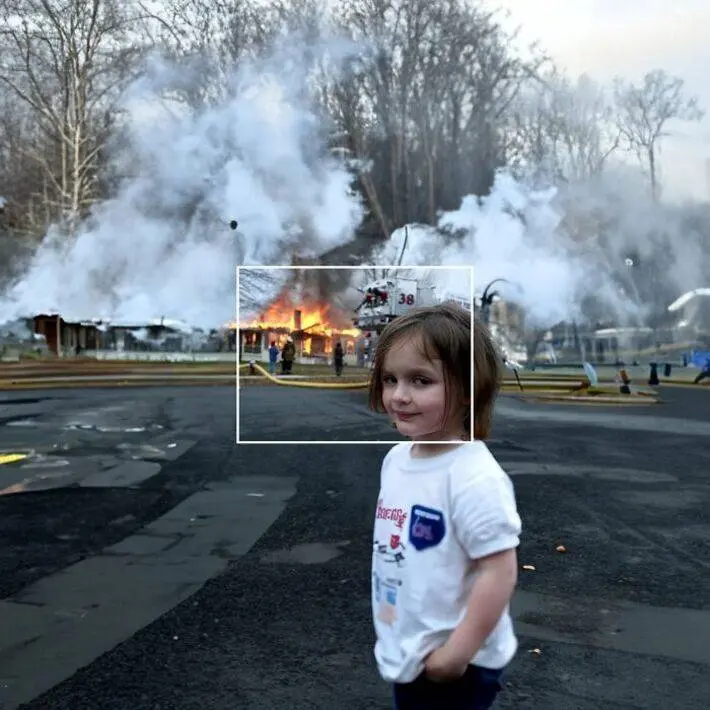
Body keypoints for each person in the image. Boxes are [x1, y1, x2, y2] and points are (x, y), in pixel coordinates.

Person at [368, 302, 521, 710]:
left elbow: (499, 571)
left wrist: (455, 655)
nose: (399, 396)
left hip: (457, 665)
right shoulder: (396, 460)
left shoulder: (473, 477)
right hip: (411, 649)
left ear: (470, 389)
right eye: (390, 379)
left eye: (421, 381)